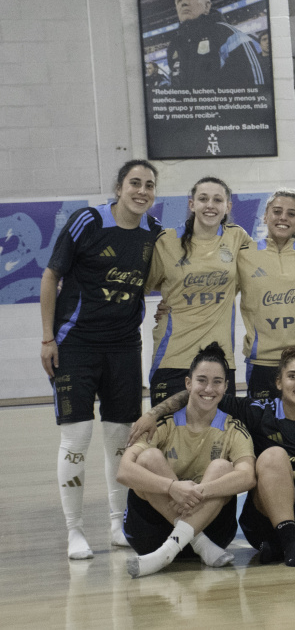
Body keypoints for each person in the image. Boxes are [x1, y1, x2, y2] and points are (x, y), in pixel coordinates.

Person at [128, 346, 295, 567]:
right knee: (273, 455)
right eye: (292, 376)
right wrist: (153, 413)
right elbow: (199, 392)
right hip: (266, 521)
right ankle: (287, 539)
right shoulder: (256, 411)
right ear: (279, 382)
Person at [40, 160, 161, 559]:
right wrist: (46, 339)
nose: (141, 191)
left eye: (148, 185)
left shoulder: (154, 233)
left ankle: (116, 524)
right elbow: (50, 276)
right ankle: (74, 531)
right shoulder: (87, 221)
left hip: (124, 347)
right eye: (134, 183)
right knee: (76, 438)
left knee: (118, 442)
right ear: (119, 187)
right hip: (75, 345)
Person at [117, 343, 256, 578]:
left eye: (217, 382)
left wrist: (197, 491)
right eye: (201, 380)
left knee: (222, 467)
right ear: (188, 383)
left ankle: (168, 552)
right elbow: (123, 471)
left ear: (226, 387)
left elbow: (247, 476)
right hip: (152, 533)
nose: (209, 389)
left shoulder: (233, 427)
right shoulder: (162, 423)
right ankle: (197, 541)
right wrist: (173, 487)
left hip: (214, 531)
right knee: (148, 457)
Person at [147, 177, 251, 403]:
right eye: (203, 199)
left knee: (218, 435)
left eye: (217, 199)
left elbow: (264, 269)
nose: (210, 205)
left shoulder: (237, 237)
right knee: (168, 434)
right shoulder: (167, 241)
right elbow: (145, 284)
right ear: (192, 204)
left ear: (228, 207)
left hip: (219, 360)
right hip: (173, 357)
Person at [238, 188, 295, 400]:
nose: (283, 218)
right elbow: (219, 291)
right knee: (263, 429)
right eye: (277, 211)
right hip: (263, 361)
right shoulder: (245, 254)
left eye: (291, 214)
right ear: (265, 216)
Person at [167, 0, 266, 89]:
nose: (183, 3)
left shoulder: (227, 34)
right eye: (179, 0)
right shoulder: (174, 45)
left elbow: (255, 84)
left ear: (207, 6)